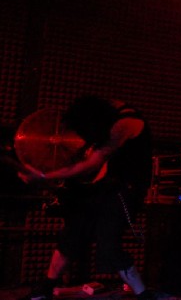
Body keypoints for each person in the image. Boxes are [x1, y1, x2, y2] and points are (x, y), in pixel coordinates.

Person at [18, 96, 157, 300]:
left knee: (109, 243)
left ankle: (143, 294)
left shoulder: (125, 124)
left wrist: (44, 176)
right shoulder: (107, 113)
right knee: (71, 235)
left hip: (123, 188)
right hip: (101, 186)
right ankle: (46, 287)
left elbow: (91, 163)